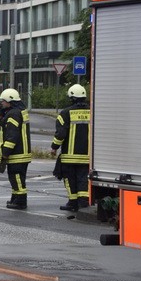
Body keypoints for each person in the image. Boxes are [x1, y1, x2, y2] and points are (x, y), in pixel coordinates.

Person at [51, 84, 90, 212]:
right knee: (83, 179)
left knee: (69, 178)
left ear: (72, 98)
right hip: (87, 156)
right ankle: (83, 203)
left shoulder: (65, 113)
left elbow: (60, 134)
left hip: (69, 156)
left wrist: (54, 147)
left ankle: (72, 202)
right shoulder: (93, 111)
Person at [0, 88, 32, 210]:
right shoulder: (20, 111)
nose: (1, 103)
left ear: (9, 101)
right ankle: (15, 198)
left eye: (3, 101)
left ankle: (20, 201)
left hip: (16, 154)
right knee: (17, 178)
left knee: (16, 177)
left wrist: (5, 153)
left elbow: (12, 136)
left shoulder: (13, 114)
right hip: (23, 153)